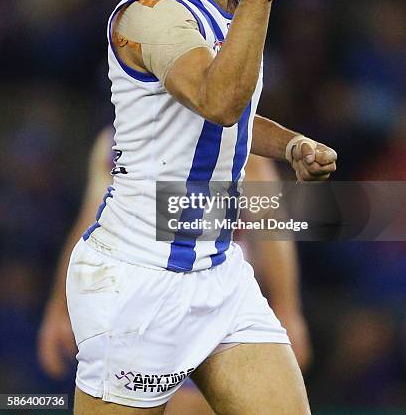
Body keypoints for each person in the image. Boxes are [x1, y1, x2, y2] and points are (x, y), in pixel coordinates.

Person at [66, 0, 337, 414]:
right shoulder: (151, 14)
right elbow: (219, 101)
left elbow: (226, 121)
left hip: (218, 273)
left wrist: (288, 144)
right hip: (137, 279)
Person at [38, 127, 312, 413]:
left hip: (216, 294)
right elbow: (94, 218)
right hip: (143, 299)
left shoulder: (229, 133)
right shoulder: (114, 141)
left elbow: (269, 218)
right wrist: (59, 308)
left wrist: (287, 307)